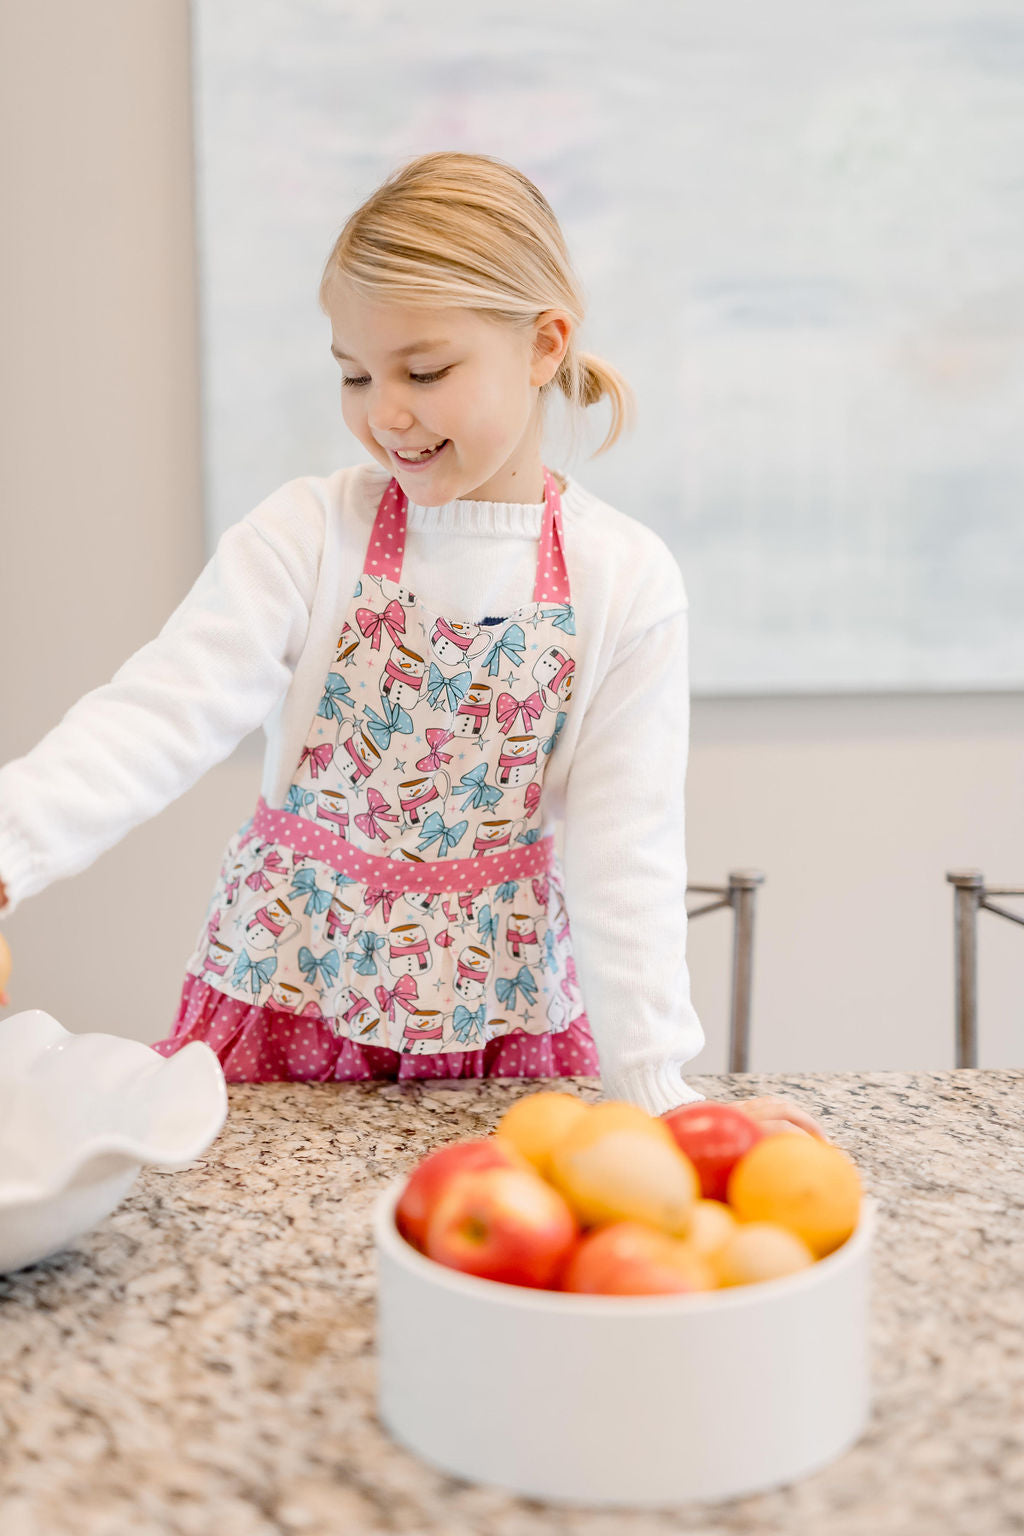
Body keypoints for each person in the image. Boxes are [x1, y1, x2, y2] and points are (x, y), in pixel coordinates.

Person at [0, 152, 823, 1139]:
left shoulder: (624, 580)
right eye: (355, 373)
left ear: (544, 344)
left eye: (422, 371)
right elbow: (155, 718)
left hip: (500, 1032)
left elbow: (626, 851)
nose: (383, 411)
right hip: (286, 1000)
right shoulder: (308, 535)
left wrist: (654, 1084)